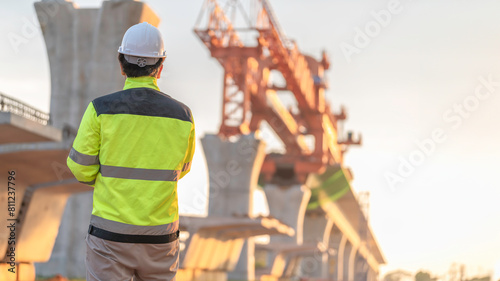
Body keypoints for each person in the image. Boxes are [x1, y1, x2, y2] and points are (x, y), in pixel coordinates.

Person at [67, 22, 195, 281]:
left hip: (110, 238)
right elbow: (182, 169)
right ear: (160, 68)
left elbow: (80, 169)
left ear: (121, 63)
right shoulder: (183, 116)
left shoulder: (99, 110)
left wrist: (111, 182)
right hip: (160, 239)